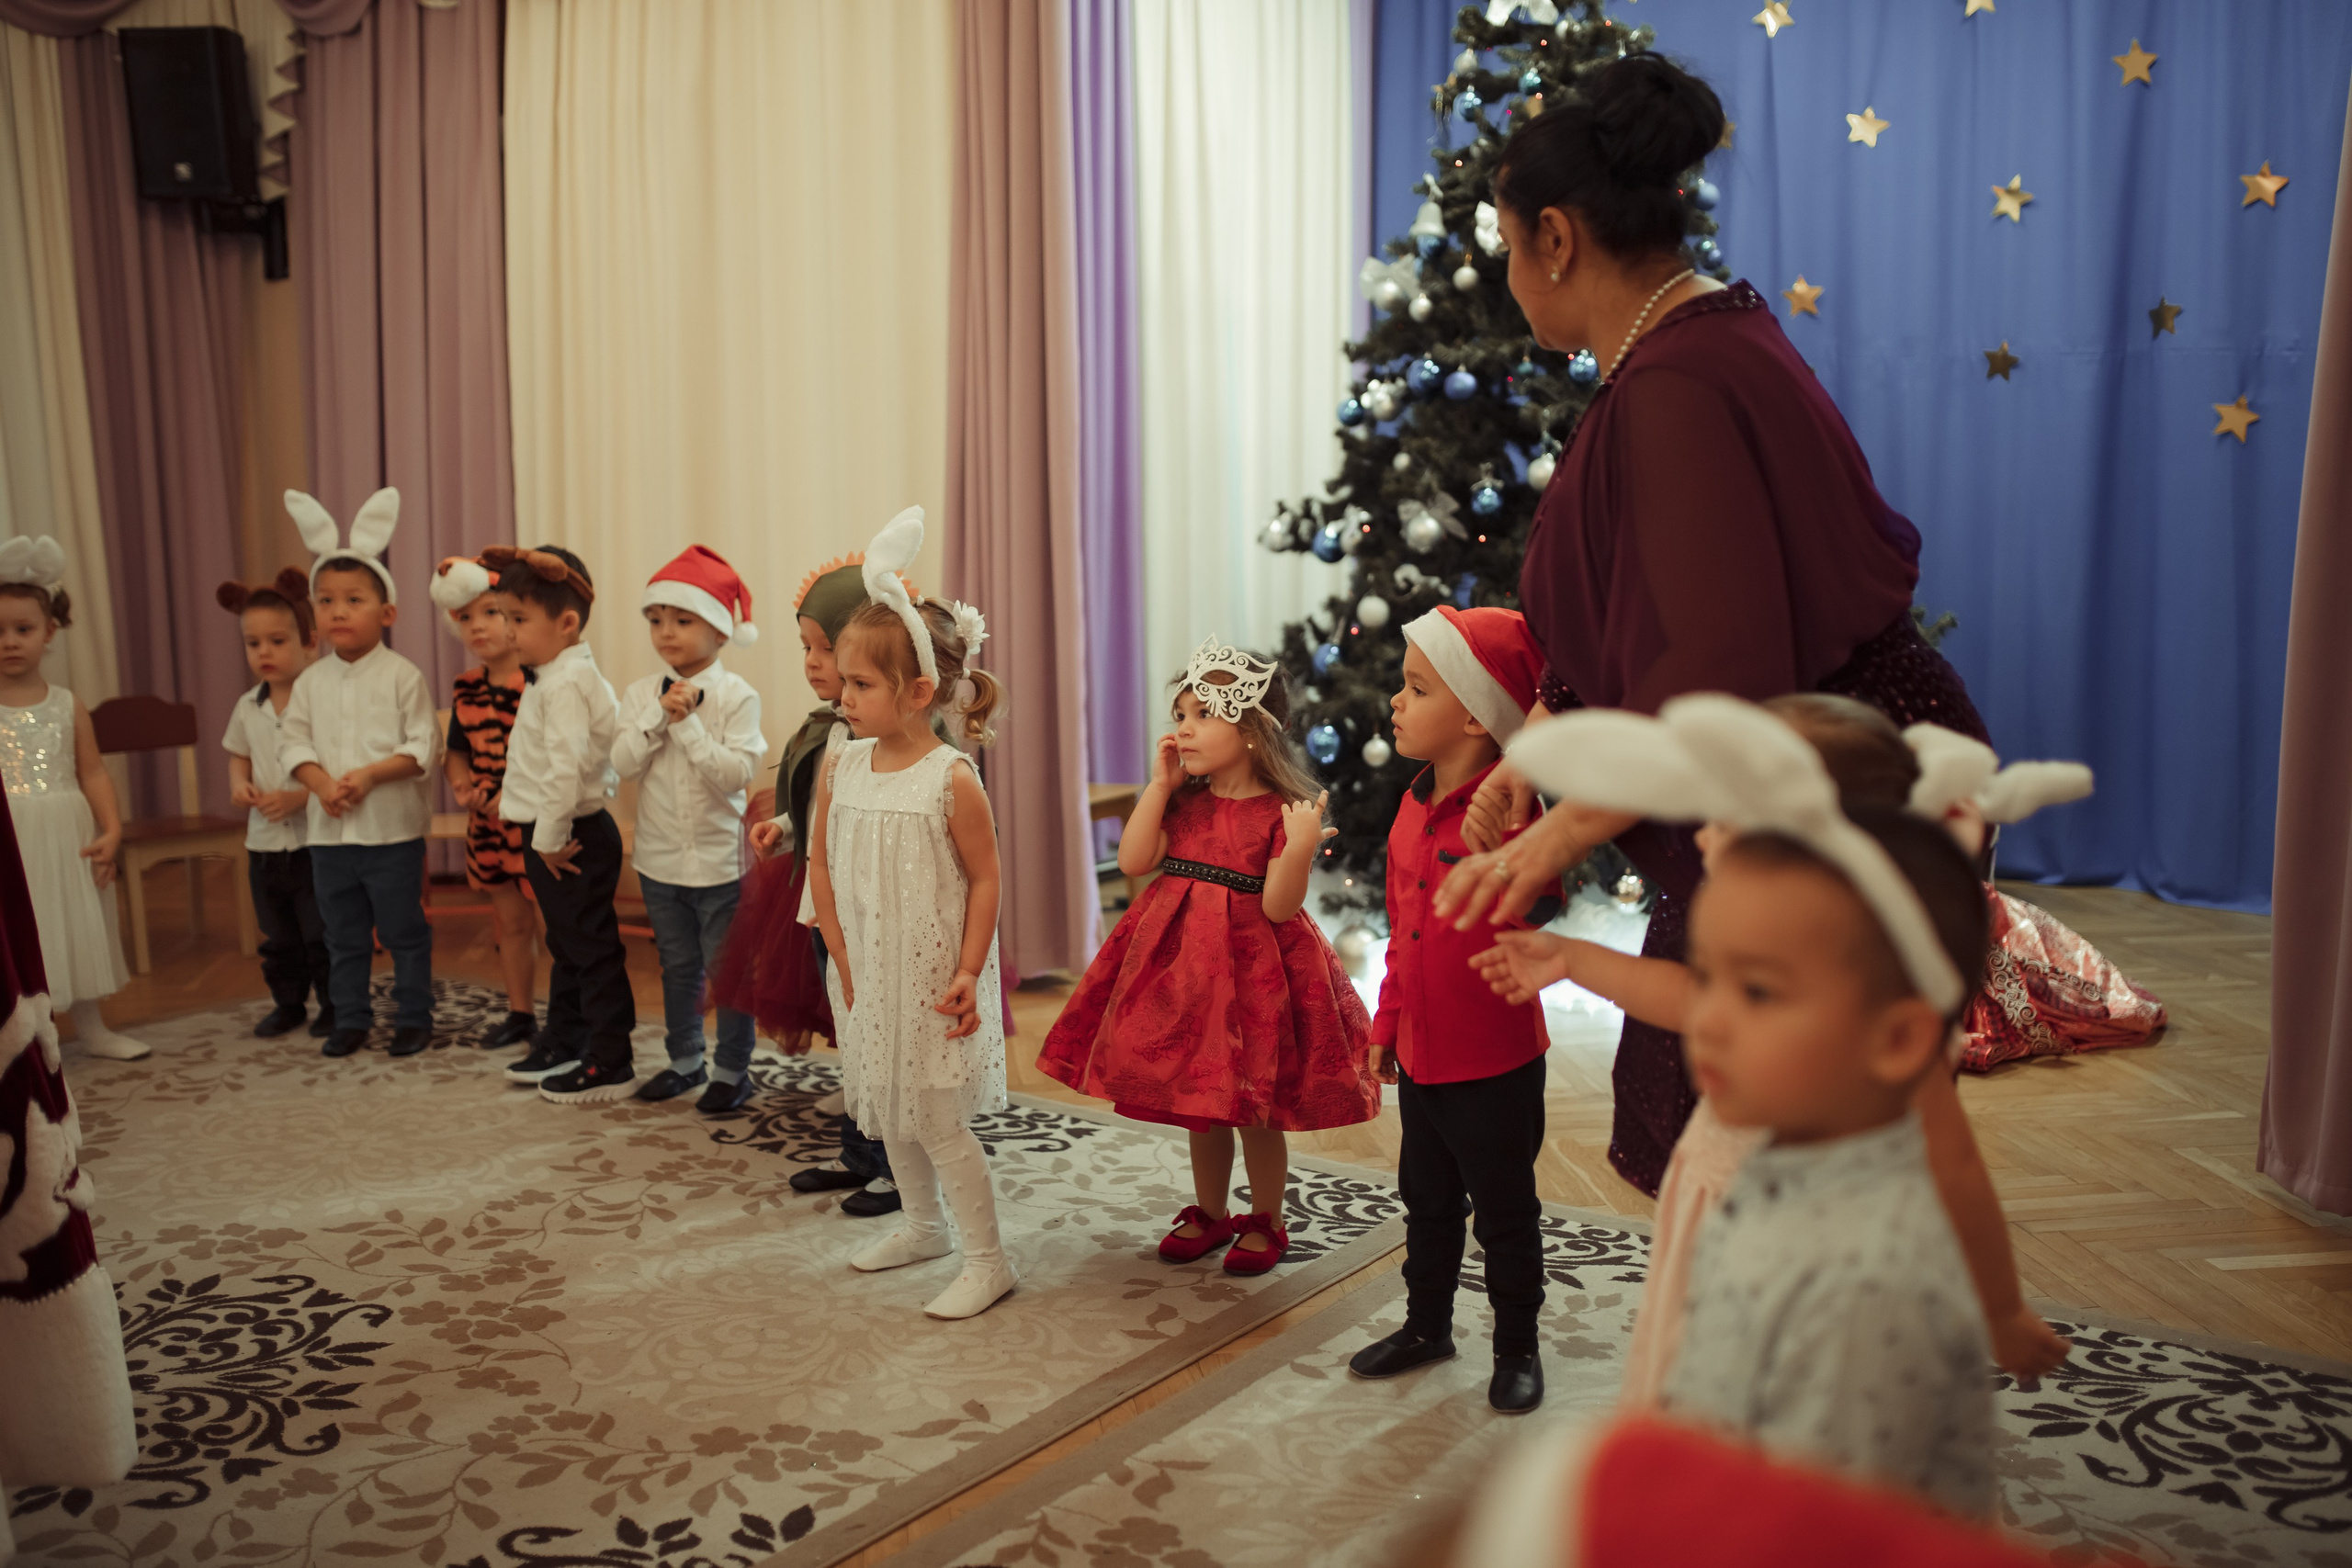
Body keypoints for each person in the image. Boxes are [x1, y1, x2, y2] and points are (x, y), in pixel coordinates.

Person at [1434, 51, 1990, 1199]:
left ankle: (1779, 1361)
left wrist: (1555, 836)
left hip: (1821, 805)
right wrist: (1543, 738)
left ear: (1554, 237)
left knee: (1748, 1140)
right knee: (1728, 1132)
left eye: (1505, 251)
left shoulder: (1674, 386)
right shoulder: (1699, 343)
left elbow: (1719, 675)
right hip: (1819, 782)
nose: (1510, 284)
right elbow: (1666, 602)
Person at [1477, 694, 2070, 1406]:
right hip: (1716, 1233)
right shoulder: (1754, 939)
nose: (1698, 835)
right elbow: (1689, 996)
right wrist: (1573, 958)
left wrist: (2001, 1309)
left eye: (1725, 816)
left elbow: (1958, 1166)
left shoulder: (1869, 1013)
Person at [1036, 637, 1379, 1275]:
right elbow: (1136, 860)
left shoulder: (1282, 811)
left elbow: (1280, 906)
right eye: (1180, 714)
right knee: (1201, 1106)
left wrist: (1300, 847)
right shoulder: (1185, 799)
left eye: (1202, 714)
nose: (1183, 729)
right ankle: (1211, 1210)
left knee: (1253, 1109)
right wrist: (1157, 786)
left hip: (1253, 980)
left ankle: (1266, 1219)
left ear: (1250, 729)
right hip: (1183, 976)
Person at [806, 506, 1013, 1317]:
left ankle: (988, 1258)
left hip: (931, 976)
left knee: (935, 1116)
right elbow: (822, 862)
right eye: (844, 680)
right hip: (863, 967)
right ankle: (923, 1224)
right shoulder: (842, 762)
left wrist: (967, 970)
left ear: (919, 690)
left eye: (861, 683)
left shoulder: (950, 777)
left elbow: (987, 879)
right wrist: (840, 950)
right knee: (886, 1097)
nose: (844, 695)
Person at [1348, 607, 1553, 1414]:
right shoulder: (1410, 808)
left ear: (1475, 713)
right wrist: (1387, 1020)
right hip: (1425, 1054)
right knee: (1425, 1198)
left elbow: (1540, 903)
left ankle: (1518, 1347)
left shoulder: (1512, 812)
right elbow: (1405, 932)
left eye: (1415, 687)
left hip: (1495, 1058)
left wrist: (1516, 842)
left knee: (1506, 1212)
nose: (1395, 702)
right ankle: (1427, 1324)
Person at [720, 552, 910, 1215]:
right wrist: (786, 826)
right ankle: (859, 1148)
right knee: (856, 1033)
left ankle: (899, 1166)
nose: (812, 661)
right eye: (807, 646)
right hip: (828, 903)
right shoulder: (833, 727)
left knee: (886, 1037)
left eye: (825, 647)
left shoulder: (894, 739)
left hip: (881, 911)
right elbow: (824, 805)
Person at [272, 490, 440, 1060]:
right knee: (340, 935)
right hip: (328, 838)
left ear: (386, 613)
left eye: (353, 599)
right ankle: (350, 1017)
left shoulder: (402, 676)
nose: (337, 611)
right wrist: (319, 783)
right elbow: (291, 739)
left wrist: (369, 776)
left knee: (403, 932)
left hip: (390, 836)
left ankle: (414, 1017)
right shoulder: (311, 682)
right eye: (325, 601)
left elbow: (423, 747)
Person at [611, 546, 767, 1109]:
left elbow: (735, 776)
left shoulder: (737, 697)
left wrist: (689, 727)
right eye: (656, 620)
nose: (666, 633)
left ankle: (731, 1071)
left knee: (728, 971)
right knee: (676, 966)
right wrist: (661, 716)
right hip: (658, 861)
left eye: (683, 620)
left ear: (721, 632)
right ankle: (684, 1062)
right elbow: (623, 765)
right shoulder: (637, 695)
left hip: (719, 860)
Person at [487, 545, 629, 1103]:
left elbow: (567, 767)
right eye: (504, 616)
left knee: (589, 950)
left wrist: (546, 840)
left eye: (518, 619)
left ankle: (609, 1059)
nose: (507, 630)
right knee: (567, 946)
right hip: (558, 833)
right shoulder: (554, 672)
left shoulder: (567, 682)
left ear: (566, 623)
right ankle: (567, 1038)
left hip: (567, 836)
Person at [0, 536, 147, 1060]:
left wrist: (112, 831)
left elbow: (94, 774)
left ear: (49, 632)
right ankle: (24, 1037)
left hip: (68, 834)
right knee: (21, 931)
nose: (10, 641)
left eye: (23, 629)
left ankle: (92, 1026)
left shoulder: (67, 704)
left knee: (76, 922)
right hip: (10, 836)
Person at [217, 568, 332, 1040]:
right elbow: (237, 755)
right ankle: (288, 1003)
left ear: (310, 643)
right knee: (278, 935)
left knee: (320, 933)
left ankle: (334, 1005)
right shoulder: (248, 705)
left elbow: (336, 772)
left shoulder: (323, 702)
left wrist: (301, 797)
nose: (264, 652)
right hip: (264, 843)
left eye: (277, 641)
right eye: (253, 643)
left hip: (314, 842)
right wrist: (239, 784)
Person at [432, 554, 539, 1050]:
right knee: (511, 924)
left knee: (558, 927)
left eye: (491, 612)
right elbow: (456, 752)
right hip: (489, 828)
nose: (477, 626)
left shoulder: (539, 684)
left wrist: (511, 796)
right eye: (466, 616)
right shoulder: (467, 689)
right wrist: (461, 785)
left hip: (539, 827)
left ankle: (570, 1018)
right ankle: (520, 1013)